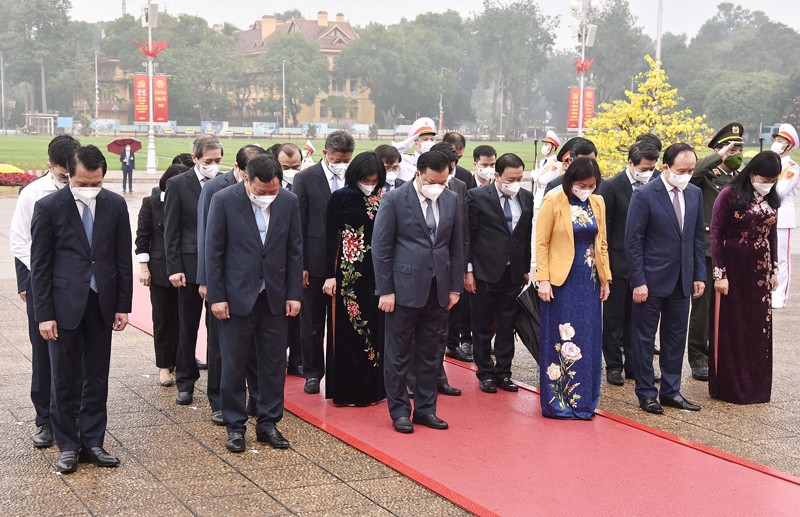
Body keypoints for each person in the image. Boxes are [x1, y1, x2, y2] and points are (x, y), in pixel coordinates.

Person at [31, 145, 133, 473]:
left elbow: (121, 259)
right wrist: (43, 314)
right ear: (69, 175)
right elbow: (40, 266)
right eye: (83, 183)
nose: (90, 190)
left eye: (96, 183)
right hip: (63, 305)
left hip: (101, 302)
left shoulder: (115, 205)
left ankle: (93, 441)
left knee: (97, 375)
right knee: (64, 376)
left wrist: (122, 305)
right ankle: (68, 445)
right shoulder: (48, 207)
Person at [205, 153, 303, 452]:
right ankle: (235, 426)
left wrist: (293, 294)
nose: (268, 197)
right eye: (262, 192)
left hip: (273, 295)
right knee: (233, 363)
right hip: (236, 297)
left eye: (273, 190)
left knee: (273, 363)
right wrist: (217, 297)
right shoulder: (223, 200)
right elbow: (214, 251)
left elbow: (294, 250)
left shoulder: (288, 201)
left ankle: (268, 422)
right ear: (246, 179)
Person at [373, 150, 463, 433]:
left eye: (443, 181)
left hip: (438, 288)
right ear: (418, 174)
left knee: (430, 353)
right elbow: (382, 247)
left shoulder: (451, 199)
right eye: (432, 181)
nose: (438, 186)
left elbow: (456, 246)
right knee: (398, 353)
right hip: (402, 289)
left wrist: (455, 288)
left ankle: (426, 409)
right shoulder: (395, 199)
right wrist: (385, 289)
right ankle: (399, 410)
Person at [9, 135, 81, 449]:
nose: (69, 180)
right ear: (49, 165)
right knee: (44, 354)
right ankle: (45, 420)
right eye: (63, 175)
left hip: (78, 286)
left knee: (76, 353)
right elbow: (19, 241)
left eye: (72, 174)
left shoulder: (87, 188)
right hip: (44, 284)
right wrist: (31, 279)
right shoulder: (33, 193)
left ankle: (74, 415)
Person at [625, 143, 706, 415]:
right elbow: (633, 241)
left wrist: (698, 275)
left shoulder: (694, 194)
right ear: (666, 168)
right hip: (650, 280)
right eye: (682, 170)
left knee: (675, 338)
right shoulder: (645, 195)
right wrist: (638, 280)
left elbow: (696, 238)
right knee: (645, 339)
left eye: (691, 170)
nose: (686, 175)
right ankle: (646, 393)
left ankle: (671, 390)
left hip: (682, 281)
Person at [196, 144, 265, 425]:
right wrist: (206, 281)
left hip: (258, 283)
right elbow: (206, 237)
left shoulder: (268, 190)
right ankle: (219, 400)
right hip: (224, 281)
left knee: (257, 349)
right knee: (221, 346)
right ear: (240, 171)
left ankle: (257, 401)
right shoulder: (216, 189)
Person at [536, 158, 610, 419]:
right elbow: (542, 243)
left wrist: (605, 278)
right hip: (561, 282)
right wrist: (542, 279)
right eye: (581, 184)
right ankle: (559, 401)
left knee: (588, 338)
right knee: (562, 338)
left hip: (588, 280)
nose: (586, 188)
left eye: (592, 185)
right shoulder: (553, 201)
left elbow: (601, 243)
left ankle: (584, 400)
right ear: (570, 180)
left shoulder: (597, 202)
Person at [710, 151, 781, 404]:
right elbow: (716, 235)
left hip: (760, 270)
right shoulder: (730, 194)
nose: (768, 183)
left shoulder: (771, 197)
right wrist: (720, 274)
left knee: (757, 326)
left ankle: (757, 386)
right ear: (751, 172)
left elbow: (772, 234)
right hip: (733, 265)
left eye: (773, 179)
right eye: (765, 178)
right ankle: (731, 386)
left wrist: (774, 269)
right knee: (734, 324)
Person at [322, 152, 388, 405]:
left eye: (374, 179)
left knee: (377, 330)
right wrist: (329, 274)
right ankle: (348, 391)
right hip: (348, 274)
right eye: (364, 178)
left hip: (379, 272)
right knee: (349, 330)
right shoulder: (340, 198)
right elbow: (329, 238)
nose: (369, 183)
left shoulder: (385, 197)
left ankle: (374, 389)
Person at [164, 134, 223, 409]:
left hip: (217, 269)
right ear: (195, 158)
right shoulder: (178, 184)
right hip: (187, 268)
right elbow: (171, 229)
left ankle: (218, 387)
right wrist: (173, 267)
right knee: (187, 328)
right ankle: (185, 382)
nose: (213, 165)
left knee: (218, 330)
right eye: (208, 161)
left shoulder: (226, 183)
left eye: (218, 161)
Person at [293, 131, 354, 395]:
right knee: (312, 323)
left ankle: (342, 373)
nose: (342, 163)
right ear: (325, 153)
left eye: (347, 159)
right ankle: (313, 372)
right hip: (315, 262)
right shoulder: (305, 179)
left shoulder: (354, 179)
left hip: (349, 263)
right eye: (338, 158)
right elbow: (297, 225)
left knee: (344, 322)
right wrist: (302, 265)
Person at [466, 153, 533, 394]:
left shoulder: (526, 197)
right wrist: (469, 270)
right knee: (482, 326)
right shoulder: (477, 197)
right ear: (497, 175)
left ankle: (504, 372)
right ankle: (484, 372)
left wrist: (525, 267)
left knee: (507, 325)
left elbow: (525, 235)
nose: (515, 182)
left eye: (519, 178)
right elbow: (469, 236)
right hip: (484, 272)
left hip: (512, 273)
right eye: (510, 178)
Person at [597, 142, 660, 386]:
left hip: (646, 266)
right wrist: (606, 267)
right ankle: (614, 365)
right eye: (644, 168)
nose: (648, 172)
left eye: (652, 168)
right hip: (618, 263)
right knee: (614, 319)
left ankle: (635, 365)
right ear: (631, 164)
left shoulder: (656, 185)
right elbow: (605, 230)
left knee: (639, 320)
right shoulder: (612, 187)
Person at [687, 123, 744, 381]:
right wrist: (720, 156)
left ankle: (718, 352)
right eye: (731, 147)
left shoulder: (738, 178)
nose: (735, 152)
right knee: (704, 306)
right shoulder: (706, 176)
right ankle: (698, 356)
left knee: (728, 306)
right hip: (709, 250)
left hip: (732, 251)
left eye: (738, 147)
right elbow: (693, 173)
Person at [135, 164, 188, 387]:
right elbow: (142, 237)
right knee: (163, 320)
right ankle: (164, 366)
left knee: (184, 320)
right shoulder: (151, 203)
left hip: (187, 269)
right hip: (159, 270)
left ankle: (183, 362)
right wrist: (144, 268)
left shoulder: (190, 203)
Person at [272, 143, 305, 375]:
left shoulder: (305, 182)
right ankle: (276, 357)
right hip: (273, 262)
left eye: (296, 166)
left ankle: (297, 360)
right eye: (286, 167)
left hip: (298, 259)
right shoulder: (267, 188)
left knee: (298, 314)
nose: (292, 171)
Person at [770, 123, 799, 309]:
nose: (777, 143)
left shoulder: (791, 167)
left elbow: (779, 191)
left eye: (781, 141)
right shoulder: (771, 162)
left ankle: (780, 294)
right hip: (767, 213)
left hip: (783, 214)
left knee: (781, 257)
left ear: (789, 145)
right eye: (777, 140)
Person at [394, 117, 437, 182]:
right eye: (425, 139)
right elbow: (389, 153)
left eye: (432, 139)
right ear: (416, 143)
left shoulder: (437, 162)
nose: (429, 142)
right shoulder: (404, 160)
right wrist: (407, 143)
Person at [532, 130, 562, 214]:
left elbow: (545, 180)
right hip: (538, 196)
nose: (544, 147)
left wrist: (535, 176)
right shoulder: (542, 162)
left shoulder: (556, 164)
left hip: (547, 196)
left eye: (546, 145)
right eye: (544, 144)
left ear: (553, 148)